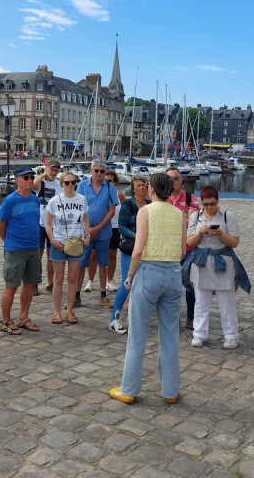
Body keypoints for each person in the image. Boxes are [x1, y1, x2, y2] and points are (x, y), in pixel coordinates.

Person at [109, 172, 187, 404]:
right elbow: (183, 251)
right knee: (170, 334)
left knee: (138, 334)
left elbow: (138, 250)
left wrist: (130, 276)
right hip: (173, 273)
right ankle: (170, 391)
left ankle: (129, 389)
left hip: (148, 272)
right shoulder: (179, 213)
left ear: (151, 188)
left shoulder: (145, 212)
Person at [184, 186, 248, 349]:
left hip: (223, 261)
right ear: (201, 203)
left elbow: (235, 242)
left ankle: (231, 335)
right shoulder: (195, 217)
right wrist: (199, 233)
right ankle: (199, 333)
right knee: (201, 302)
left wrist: (221, 234)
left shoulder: (228, 216)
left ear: (218, 200)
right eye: (206, 204)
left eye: (212, 203)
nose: (210, 207)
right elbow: (190, 243)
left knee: (226, 302)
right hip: (202, 261)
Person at [0, 166, 42, 335]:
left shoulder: (35, 200)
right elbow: (0, 225)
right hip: (15, 249)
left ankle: (24, 317)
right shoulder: (10, 201)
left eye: (32, 177)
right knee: (12, 286)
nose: (30, 180)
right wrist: (9, 241)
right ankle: (6, 320)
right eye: (26, 177)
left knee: (30, 284)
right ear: (17, 181)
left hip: (33, 248)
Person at [45, 171, 90, 324]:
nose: (70, 185)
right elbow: (48, 224)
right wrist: (52, 241)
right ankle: (57, 311)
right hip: (59, 243)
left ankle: (69, 311)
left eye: (73, 182)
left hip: (76, 243)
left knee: (72, 278)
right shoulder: (54, 201)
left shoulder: (82, 199)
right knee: (58, 279)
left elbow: (84, 219)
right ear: (61, 184)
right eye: (67, 182)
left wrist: (88, 235)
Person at [108, 175, 149, 335]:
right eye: (138, 185)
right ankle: (114, 318)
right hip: (130, 249)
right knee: (127, 282)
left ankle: (138, 317)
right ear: (132, 189)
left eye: (144, 185)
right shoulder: (127, 204)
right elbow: (121, 227)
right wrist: (138, 236)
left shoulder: (151, 205)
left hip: (147, 249)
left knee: (144, 284)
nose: (142, 188)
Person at [76, 160, 118, 308]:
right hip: (85, 231)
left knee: (103, 263)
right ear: (91, 171)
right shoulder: (82, 186)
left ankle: (103, 295)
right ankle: (76, 295)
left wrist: (98, 228)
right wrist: (88, 230)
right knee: (82, 263)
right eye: (97, 171)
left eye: (102, 171)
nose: (99, 174)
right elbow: (78, 209)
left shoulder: (109, 187)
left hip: (104, 231)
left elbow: (111, 211)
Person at [166, 167, 199, 329]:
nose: (172, 181)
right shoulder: (163, 198)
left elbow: (192, 221)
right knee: (171, 286)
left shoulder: (189, 198)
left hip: (187, 248)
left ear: (181, 180)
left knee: (189, 285)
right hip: (168, 248)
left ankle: (191, 318)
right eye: (169, 178)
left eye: (175, 178)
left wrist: (174, 220)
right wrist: (182, 218)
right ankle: (173, 317)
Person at [33, 158, 62, 294]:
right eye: (52, 169)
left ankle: (50, 282)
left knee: (52, 256)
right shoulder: (41, 182)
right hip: (40, 223)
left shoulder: (59, 185)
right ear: (46, 168)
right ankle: (34, 282)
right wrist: (45, 174)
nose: (54, 172)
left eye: (56, 170)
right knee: (37, 254)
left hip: (54, 225)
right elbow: (33, 186)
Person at [104, 169, 125, 291]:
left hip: (115, 227)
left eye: (110, 181)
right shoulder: (99, 193)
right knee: (93, 255)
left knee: (112, 255)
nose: (108, 183)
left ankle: (110, 280)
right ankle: (90, 281)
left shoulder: (119, 195)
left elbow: (123, 212)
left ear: (115, 182)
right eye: (106, 180)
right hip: (103, 226)